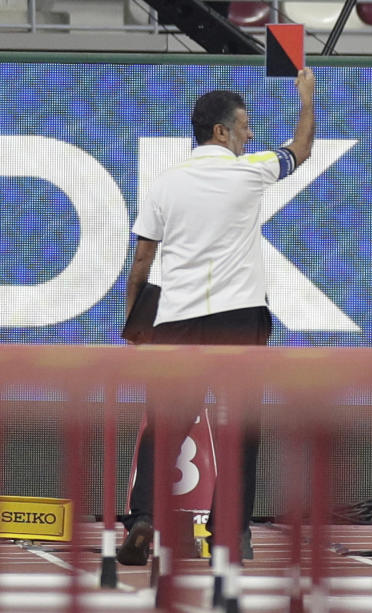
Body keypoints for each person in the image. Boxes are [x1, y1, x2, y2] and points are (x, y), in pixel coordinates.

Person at [118, 68, 316, 566]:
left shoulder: (165, 183)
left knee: (165, 425)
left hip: (176, 323)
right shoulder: (250, 170)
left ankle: (143, 518)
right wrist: (306, 98)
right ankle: (229, 534)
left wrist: (133, 324)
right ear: (221, 132)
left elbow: (142, 261)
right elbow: (302, 147)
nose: (251, 134)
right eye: (245, 126)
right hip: (238, 322)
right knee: (240, 428)